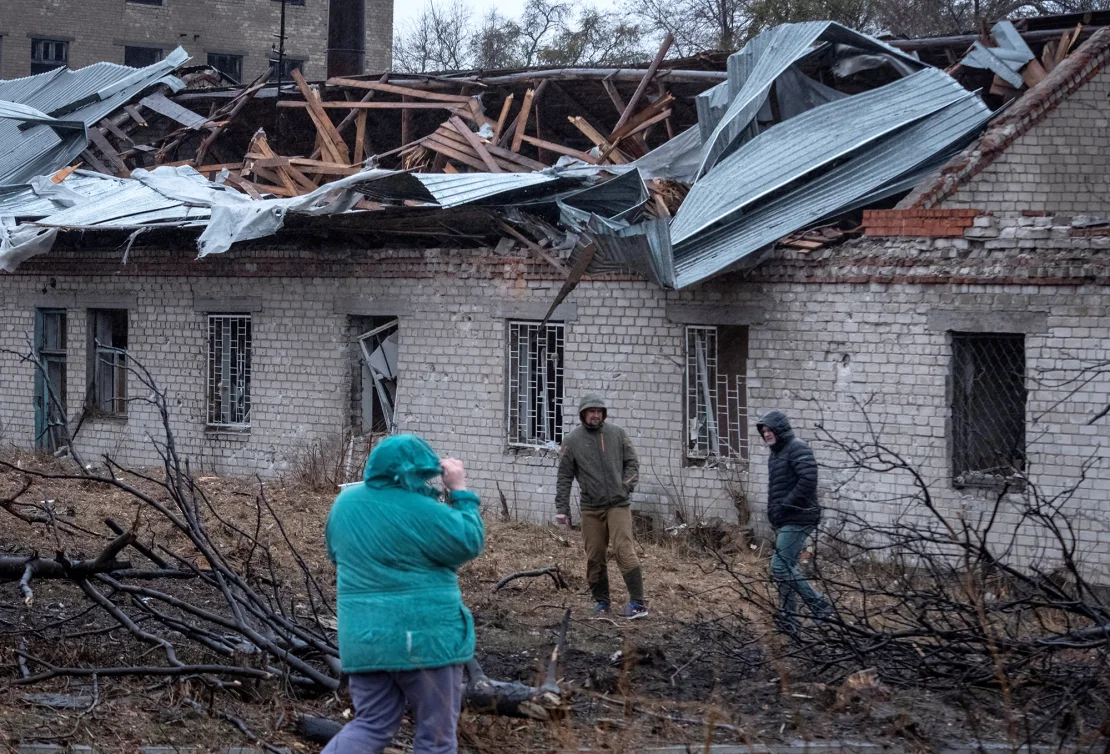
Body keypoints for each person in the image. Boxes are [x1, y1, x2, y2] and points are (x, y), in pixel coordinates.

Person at [323, 434, 485, 754]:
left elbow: (333, 553)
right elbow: (469, 541)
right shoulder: (425, 511)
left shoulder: (344, 504)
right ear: (414, 473)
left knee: (371, 724)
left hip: (364, 641)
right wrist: (460, 490)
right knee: (435, 738)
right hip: (425, 641)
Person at [555, 394, 647, 619]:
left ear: (603, 413)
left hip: (618, 504)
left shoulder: (617, 434)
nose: (595, 415)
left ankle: (638, 604)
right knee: (595, 555)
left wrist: (625, 486)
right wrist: (562, 509)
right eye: (591, 411)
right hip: (591, 508)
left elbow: (632, 463)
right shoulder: (572, 441)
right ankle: (602, 603)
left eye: (599, 411)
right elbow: (564, 476)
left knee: (623, 550)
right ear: (583, 414)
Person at [755, 410, 832, 634]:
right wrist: (776, 514)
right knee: (785, 568)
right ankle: (790, 620)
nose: (767, 434)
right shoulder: (776, 453)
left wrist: (785, 506)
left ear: (780, 429)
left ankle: (820, 605)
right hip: (787, 517)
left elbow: (808, 480)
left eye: (770, 430)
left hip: (801, 516)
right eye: (764, 431)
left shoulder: (797, 447)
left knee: (780, 567)